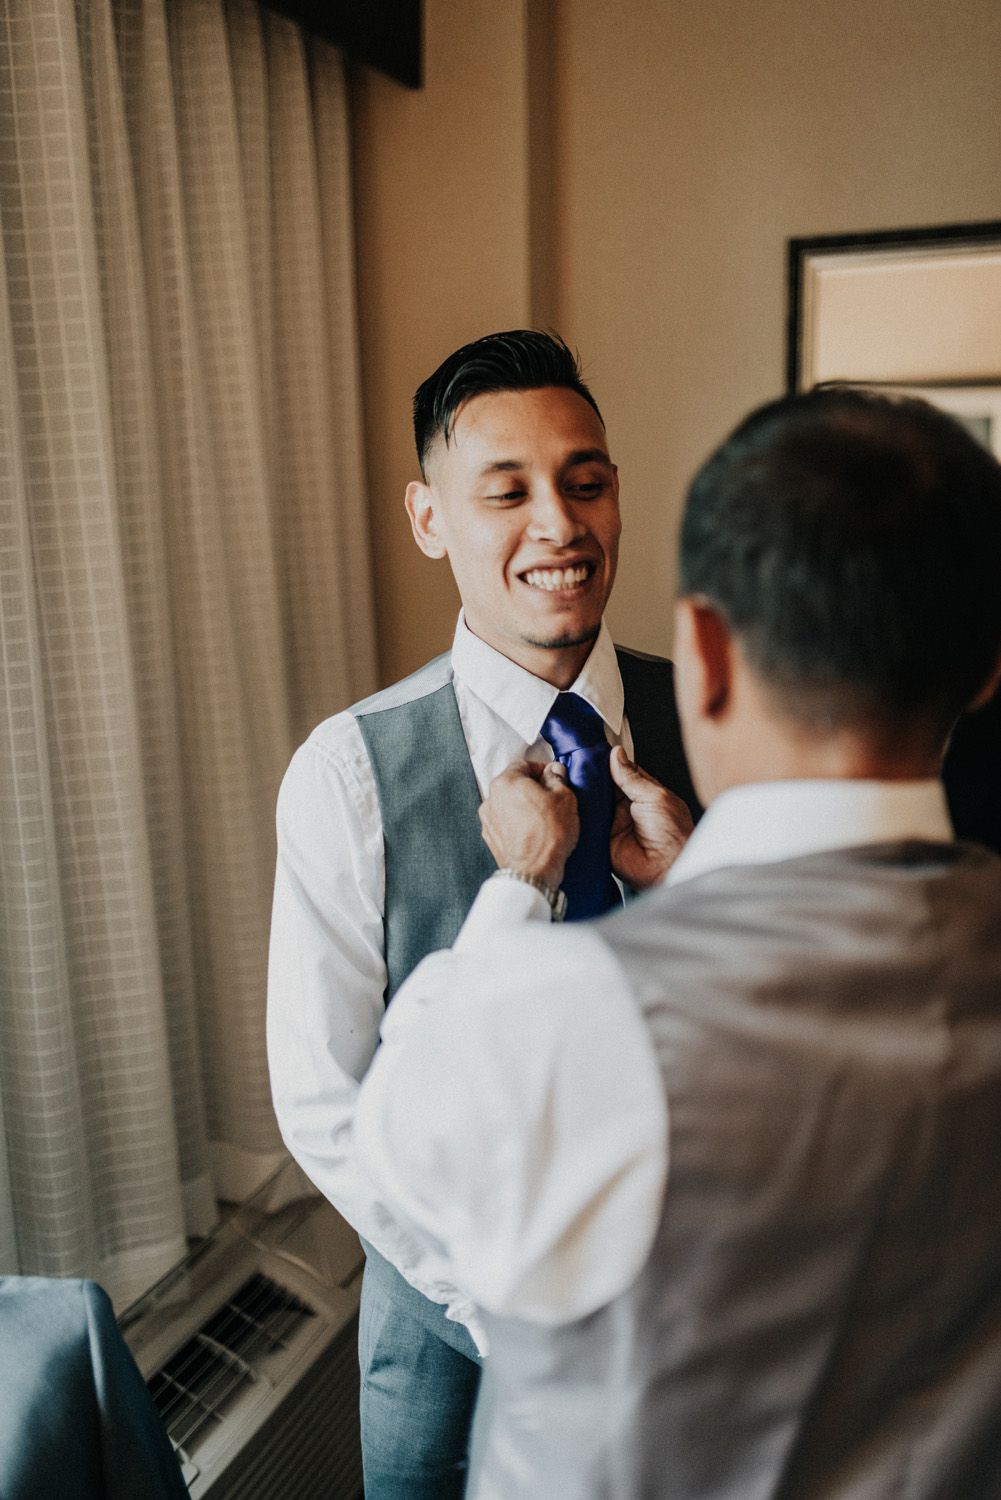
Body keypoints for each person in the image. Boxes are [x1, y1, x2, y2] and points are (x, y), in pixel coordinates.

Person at [353, 387, 1001, 1499]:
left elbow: (399, 1152)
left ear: (698, 650)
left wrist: (519, 883)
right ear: (985, 668)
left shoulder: (550, 1018)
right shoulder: (344, 769)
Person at [266, 330, 698, 1499]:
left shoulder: (717, 721)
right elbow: (321, 1096)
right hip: (451, 1362)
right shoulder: (345, 772)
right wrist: (493, 1303)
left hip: (697, 1338)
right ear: (428, 519)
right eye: (505, 492)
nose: (558, 525)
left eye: (585, 483)